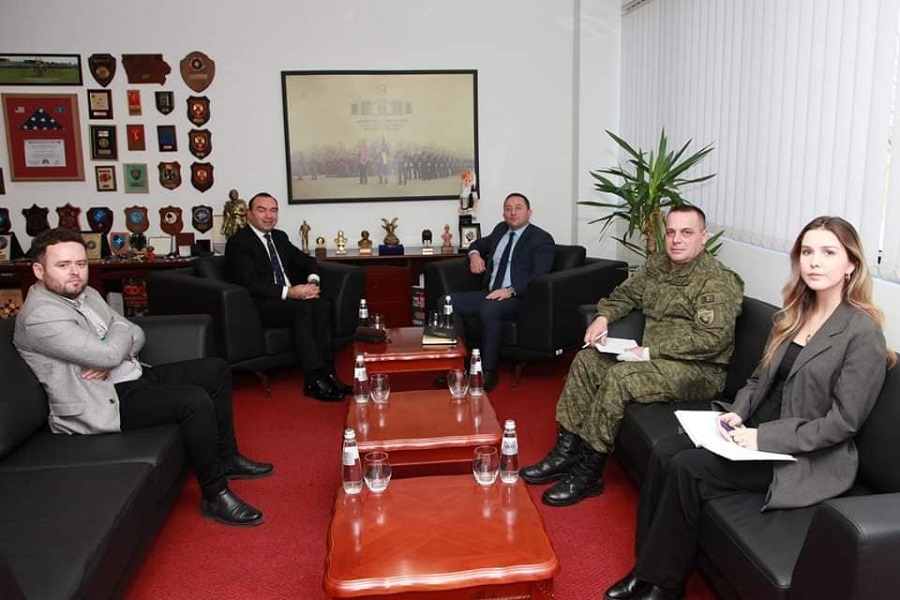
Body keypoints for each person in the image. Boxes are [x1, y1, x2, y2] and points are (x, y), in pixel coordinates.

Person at [604, 216, 894, 600]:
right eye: (807, 252)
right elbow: (759, 379)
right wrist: (738, 412)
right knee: (663, 453)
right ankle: (645, 570)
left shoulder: (862, 333)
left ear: (851, 264)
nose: (814, 262)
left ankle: (664, 584)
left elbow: (843, 423)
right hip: (752, 427)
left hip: (800, 453)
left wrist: (762, 438)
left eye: (828, 253)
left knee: (687, 468)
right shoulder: (794, 314)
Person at [13, 228, 273, 527]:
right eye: (63, 265)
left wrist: (113, 348)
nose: (75, 272)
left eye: (81, 264)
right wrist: (114, 345)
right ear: (39, 270)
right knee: (193, 400)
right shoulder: (41, 316)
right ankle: (215, 494)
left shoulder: (87, 294)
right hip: (102, 400)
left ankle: (227, 457)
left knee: (215, 369)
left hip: (130, 376)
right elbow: (111, 350)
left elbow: (136, 333)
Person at [520, 205, 744, 506]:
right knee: (587, 361)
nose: (676, 240)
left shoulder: (717, 281)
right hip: (652, 361)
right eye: (671, 232)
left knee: (621, 377)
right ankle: (565, 452)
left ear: (703, 237)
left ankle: (589, 471)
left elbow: (712, 340)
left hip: (697, 371)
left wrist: (650, 351)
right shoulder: (659, 265)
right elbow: (625, 295)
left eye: (686, 232)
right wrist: (603, 317)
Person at [223, 192, 350, 402]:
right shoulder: (239, 242)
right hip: (260, 304)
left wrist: (312, 283)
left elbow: (307, 261)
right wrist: (290, 292)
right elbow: (250, 282)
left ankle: (328, 373)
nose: (269, 216)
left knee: (322, 305)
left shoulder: (279, 237)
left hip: (289, 299)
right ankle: (312, 380)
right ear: (249, 215)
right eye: (262, 210)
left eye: (273, 210)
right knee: (303, 308)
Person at [450, 192, 555, 391]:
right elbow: (476, 244)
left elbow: (539, 276)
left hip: (519, 297)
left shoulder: (541, 239)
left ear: (529, 212)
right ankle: (460, 365)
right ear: (504, 213)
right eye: (508, 209)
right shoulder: (500, 230)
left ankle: (488, 370)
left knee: (490, 308)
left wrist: (511, 290)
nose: (513, 212)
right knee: (447, 302)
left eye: (518, 208)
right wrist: (474, 255)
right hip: (490, 293)